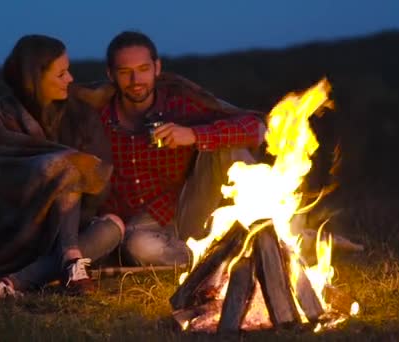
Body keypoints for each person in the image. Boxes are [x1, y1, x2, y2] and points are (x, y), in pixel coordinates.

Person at [0, 34, 125, 298]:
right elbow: (9, 184)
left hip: (72, 224)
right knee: (67, 165)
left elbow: (100, 181)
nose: (71, 79)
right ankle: (68, 263)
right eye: (61, 73)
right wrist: (60, 170)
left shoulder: (80, 114)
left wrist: (70, 186)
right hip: (20, 226)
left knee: (114, 226)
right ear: (35, 78)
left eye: (69, 71)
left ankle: (15, 282)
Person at [74, 31, 266, 267]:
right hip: (131, 228)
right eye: (125, 72)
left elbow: (255, 128)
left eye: (144, 69)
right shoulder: (97, 119)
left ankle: (265, 235)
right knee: (139, 246)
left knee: (228, 147)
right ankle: (212, 259)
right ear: (110, 74)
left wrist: (193, 135)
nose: (136, 80)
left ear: (157, 67)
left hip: (185, 210)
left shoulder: (179, 104)